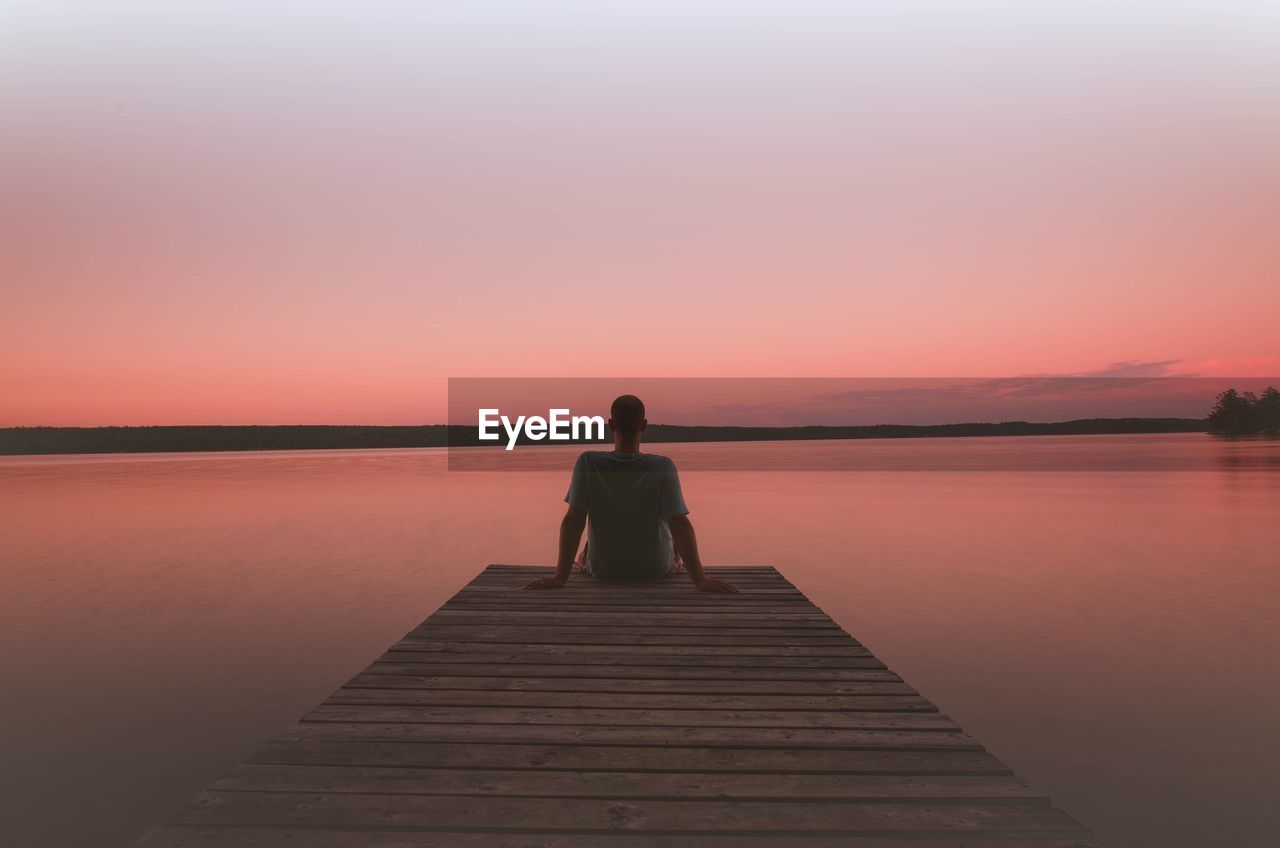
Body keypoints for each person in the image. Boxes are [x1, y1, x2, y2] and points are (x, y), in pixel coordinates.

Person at [524, 394, 737, 593]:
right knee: (673, 543)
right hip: (654, 570)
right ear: (644, 425)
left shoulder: (588, 462)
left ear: (610, 425)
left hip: (604, 570)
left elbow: (573, 521)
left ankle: (585, 559)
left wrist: (559, 578)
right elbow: (679, 524)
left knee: (587, 549)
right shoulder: (662, 466)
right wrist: (700, 579)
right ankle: (673, 559)